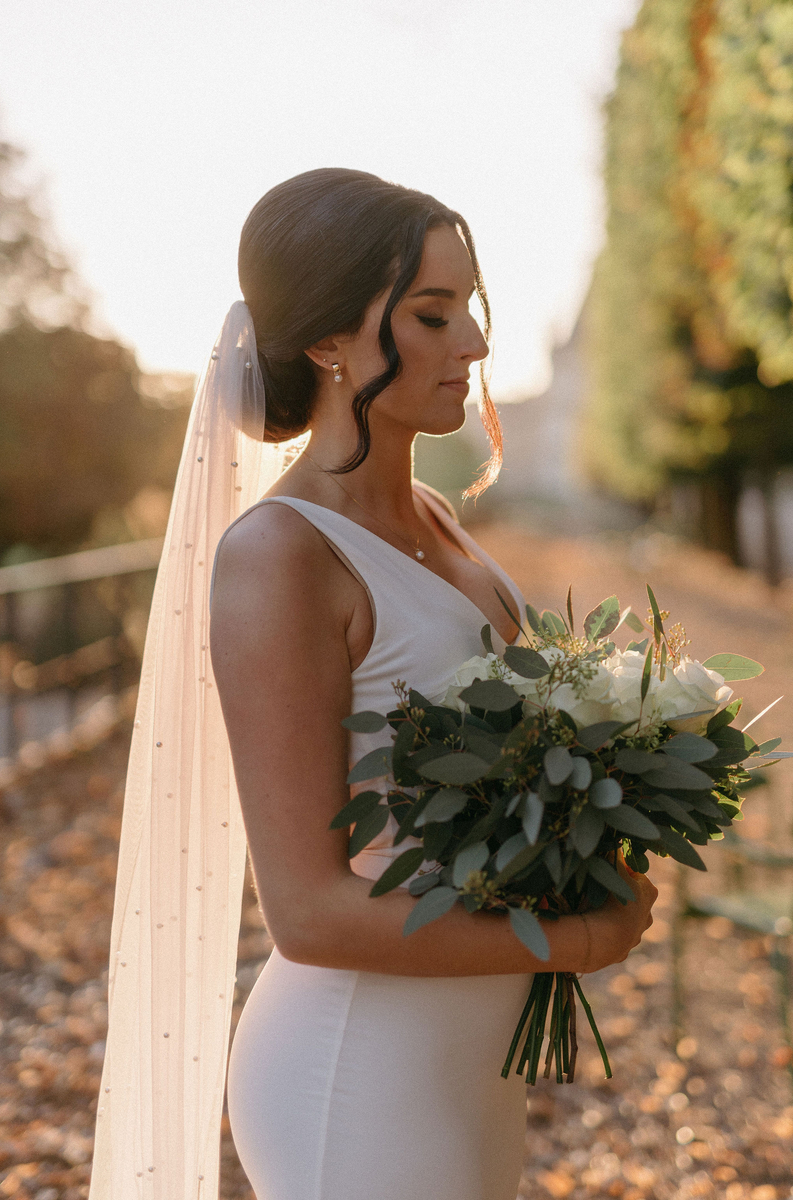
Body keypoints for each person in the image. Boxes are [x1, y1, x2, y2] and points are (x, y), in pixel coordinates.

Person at [206, 168, 658, 1200]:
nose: (475, 343)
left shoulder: (439, 519)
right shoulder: (279, 555)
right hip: (358, 1062)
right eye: (431, 312)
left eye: (470, 307)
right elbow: (308, 912)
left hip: (466, 1051)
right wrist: (573, 936)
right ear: (325, 339)